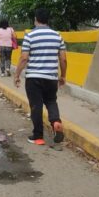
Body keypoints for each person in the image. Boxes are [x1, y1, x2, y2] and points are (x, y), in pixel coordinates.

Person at [13, 8, 67, 146]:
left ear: (35, 19)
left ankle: (38, 136)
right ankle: (55, 121)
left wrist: (17, 75)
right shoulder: (57, 36)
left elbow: (24, 58)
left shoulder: (30, 36)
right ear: (48, 19)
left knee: (36, 105)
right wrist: (63, 76)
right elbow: (63, 59)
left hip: (34, 78)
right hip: (51, 77)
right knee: (51, 101)